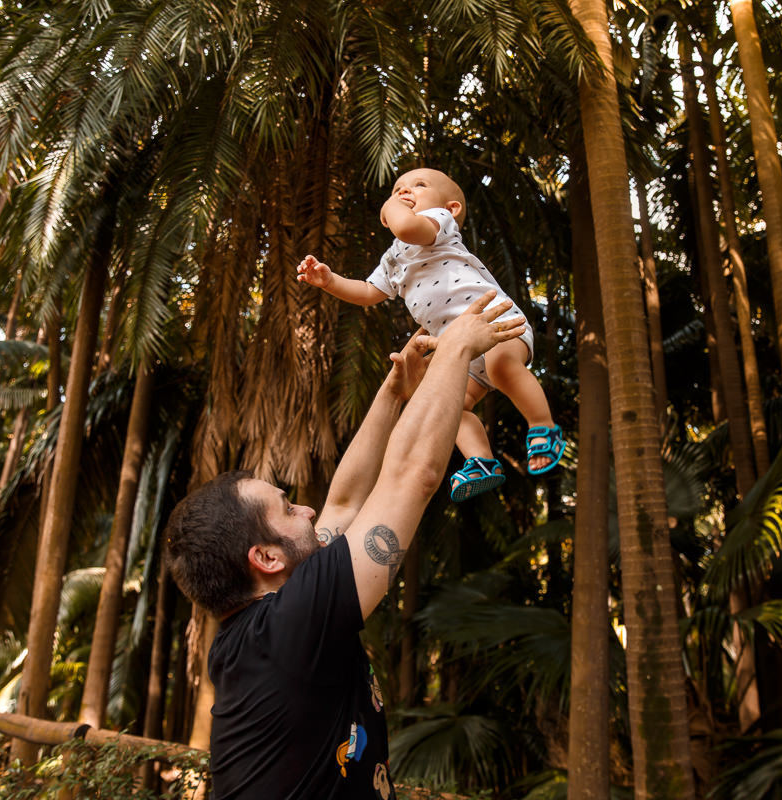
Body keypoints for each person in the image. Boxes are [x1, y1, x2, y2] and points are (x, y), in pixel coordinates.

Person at [164, 292, 525, 800]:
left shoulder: (266, 623)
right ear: (265, 559)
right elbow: (413, 476)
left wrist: (392, 393)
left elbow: (346, 501)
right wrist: (456, 350)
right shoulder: (288, 626)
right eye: (289, 510)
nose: (307, 510)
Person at [296, 167, 564, 502]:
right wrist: (330, 281)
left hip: (494, 324)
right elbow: (367, 292)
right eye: (398, 188)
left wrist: (392, 206)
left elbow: (408, 227)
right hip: (461, 349)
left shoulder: (439, 223)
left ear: (452, 208)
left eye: (418, 186)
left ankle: (543, 426)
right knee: (450, 403)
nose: (405, 192)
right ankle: (481, 459)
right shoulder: (394, 258)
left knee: (500, 368)